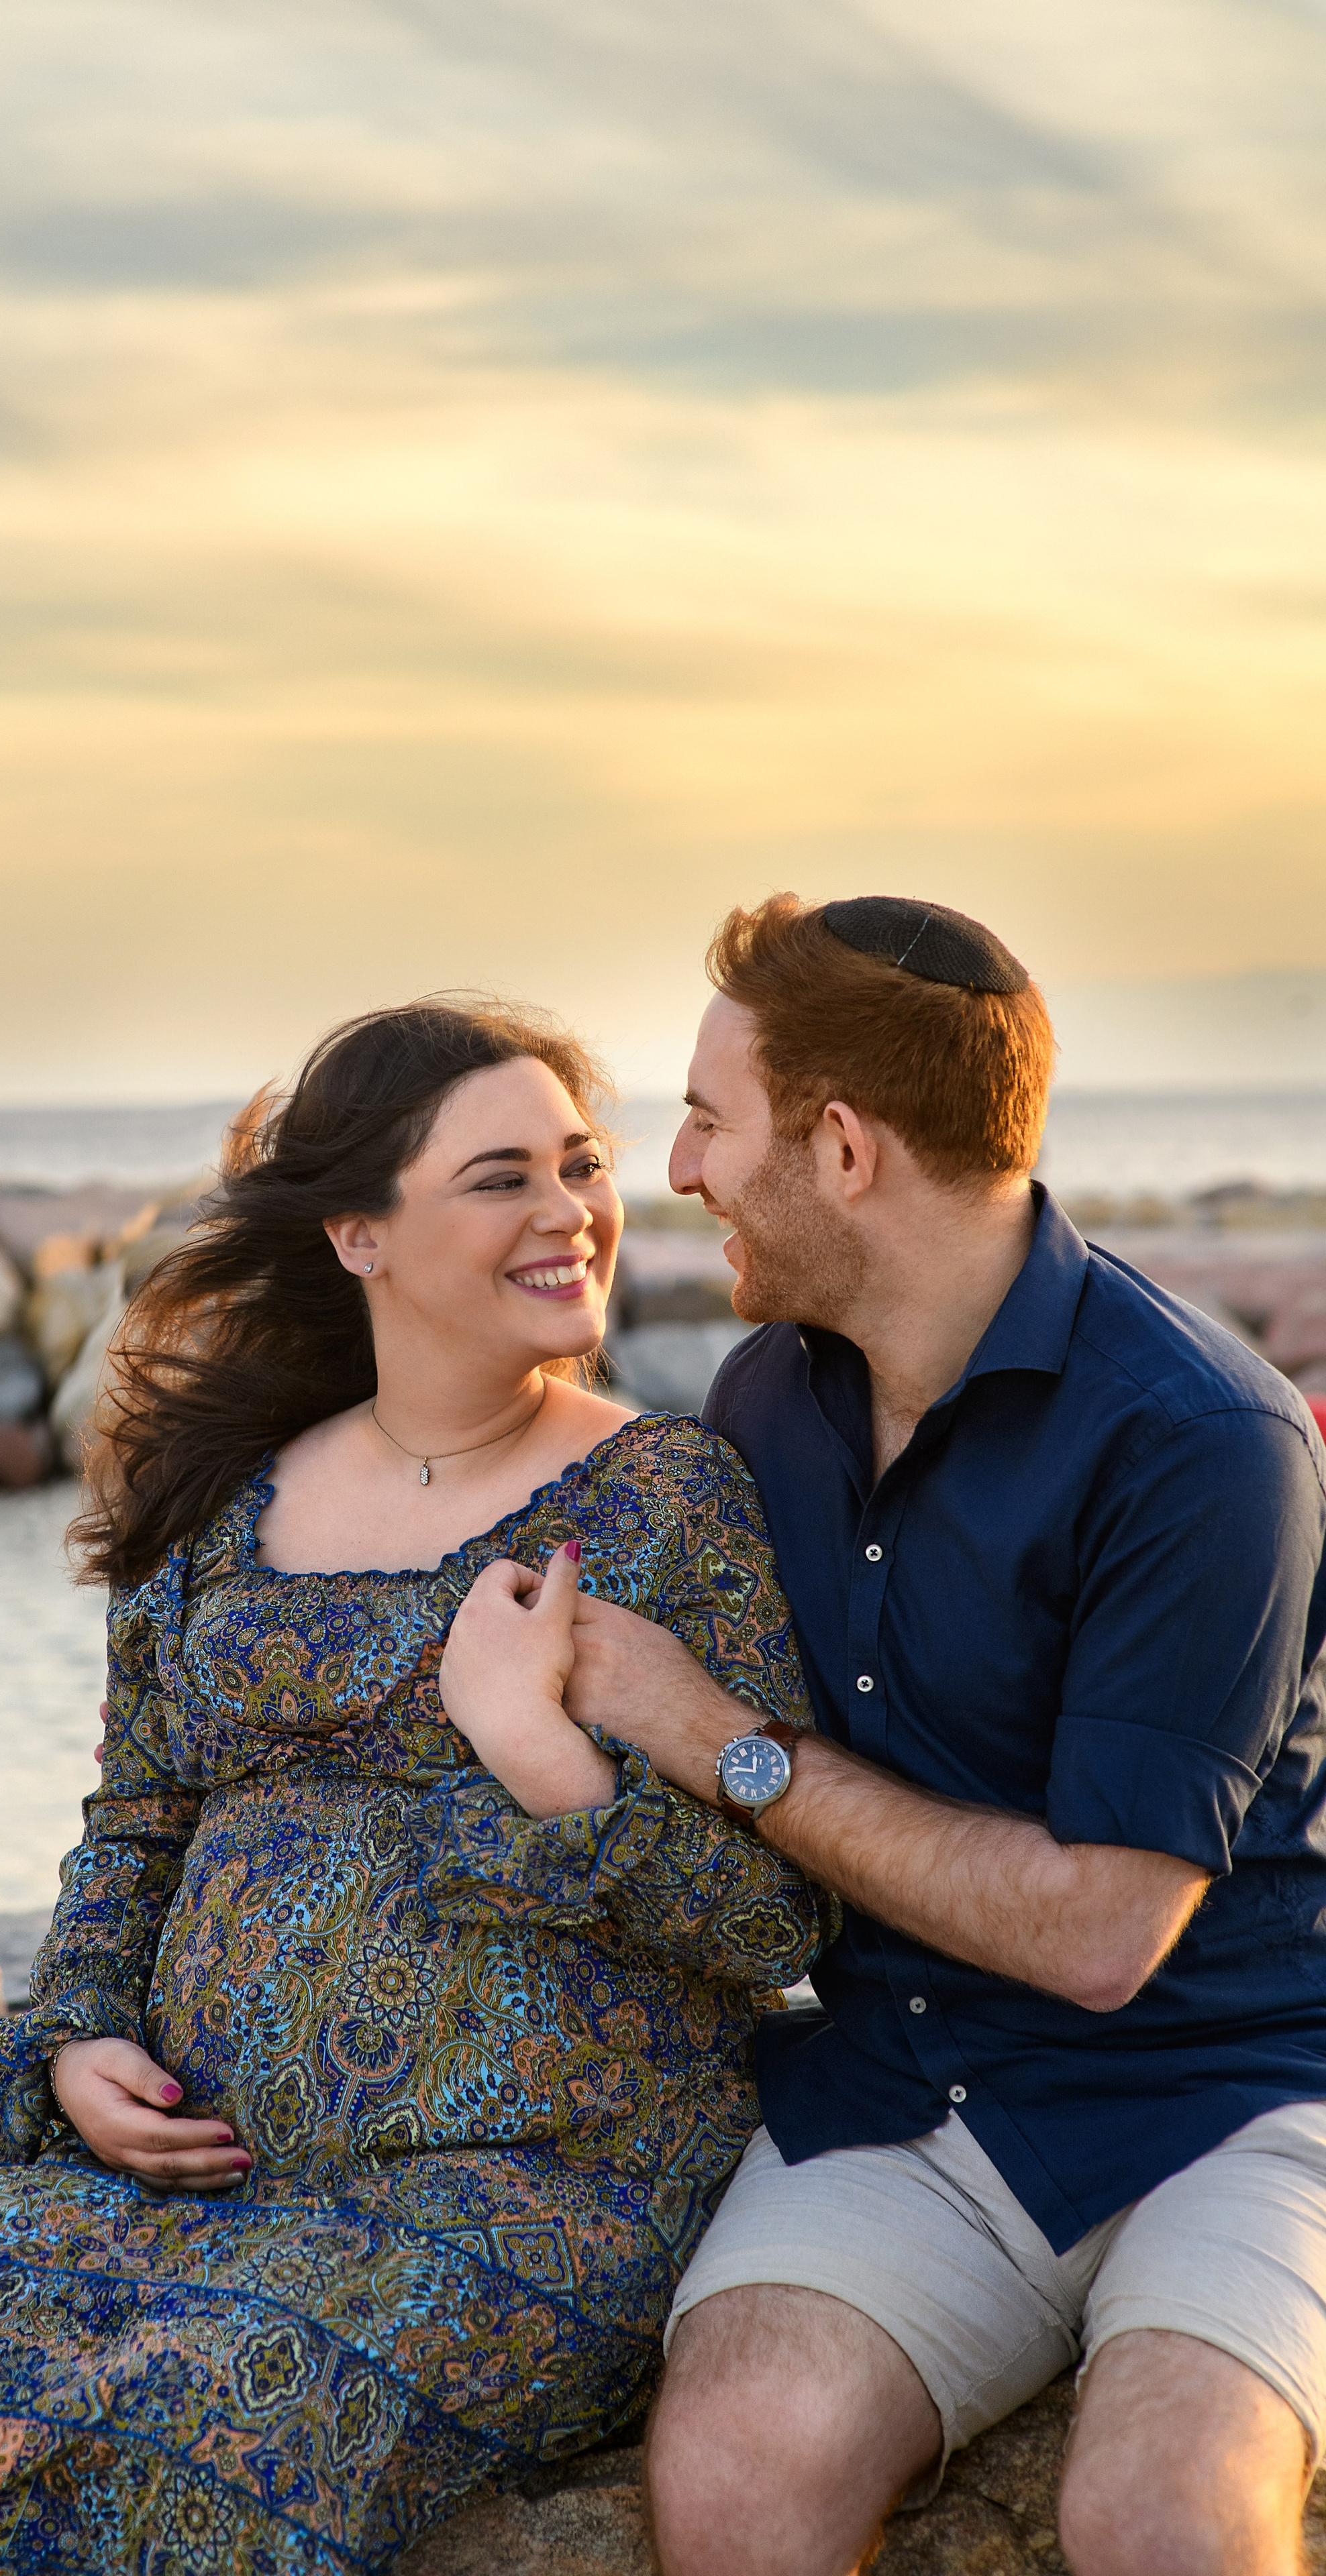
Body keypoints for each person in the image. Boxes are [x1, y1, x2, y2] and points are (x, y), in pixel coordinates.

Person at [0, 998, 827, 2576]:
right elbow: (137, 1818)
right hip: (199, 2175)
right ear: (357, 1234)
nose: (569, 1212)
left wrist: (540, 1760)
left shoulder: (670, 1500)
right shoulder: (222, 1501)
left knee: (223, 2408)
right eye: (500, 1179)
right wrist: (80, 2044)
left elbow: (771, 1920)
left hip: (525, 2195)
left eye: (578, 1165)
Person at [473, 892, 1326, 2576]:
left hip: (1232, 2095)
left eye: (710, 1121)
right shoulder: (763, 1400)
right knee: (736, 2470)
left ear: (844, 1149)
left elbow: (1099, 1935)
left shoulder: (1200, 1441)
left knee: (1156, 2510)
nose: (680, 1171)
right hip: (904, 2085)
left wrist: (717, 1737)